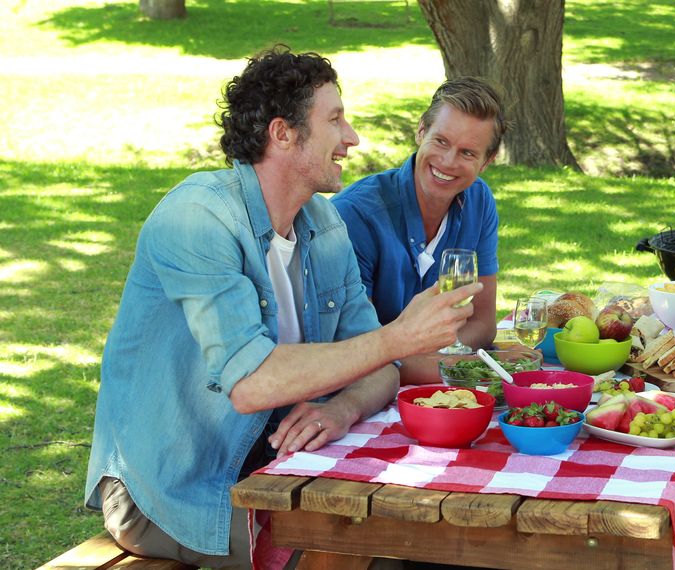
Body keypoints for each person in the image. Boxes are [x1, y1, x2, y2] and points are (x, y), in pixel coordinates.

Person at [83, 46, 482, 568]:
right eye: (335, 119)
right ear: (282, 133)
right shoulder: (197, 218)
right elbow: (251, 383)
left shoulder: (323, 223)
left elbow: (381, 369)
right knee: (363, 555)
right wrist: (399, 336)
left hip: (279, 464)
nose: (352, 138)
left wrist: (343, 407)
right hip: (174, 490)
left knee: (429, 538)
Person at [332, 77, 506, 384]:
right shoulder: (355, 214)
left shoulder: (480, 202)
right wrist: (472, 368)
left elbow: (482, 323)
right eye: (440, 141)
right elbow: (355, 353)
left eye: (467, 153)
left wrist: (441, 360)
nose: (448, 162)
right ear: (421, 131)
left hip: (423, 386)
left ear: (487, 161)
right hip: (362, 392)